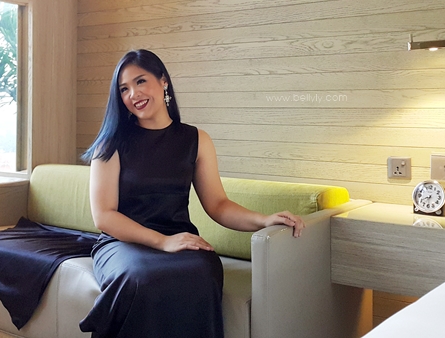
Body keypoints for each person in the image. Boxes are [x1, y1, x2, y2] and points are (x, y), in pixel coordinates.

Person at [78, 49, 305, 338]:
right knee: (142, 278)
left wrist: (264, 220)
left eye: (140, 81)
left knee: (203, 272)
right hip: (122, 243)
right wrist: (162, 242)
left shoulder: (197, 140)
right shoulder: (111, 143)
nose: (133, 94)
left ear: (163, 81)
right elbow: (104, 216)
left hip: (179, 239)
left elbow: (218, 204)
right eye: (124, 89)